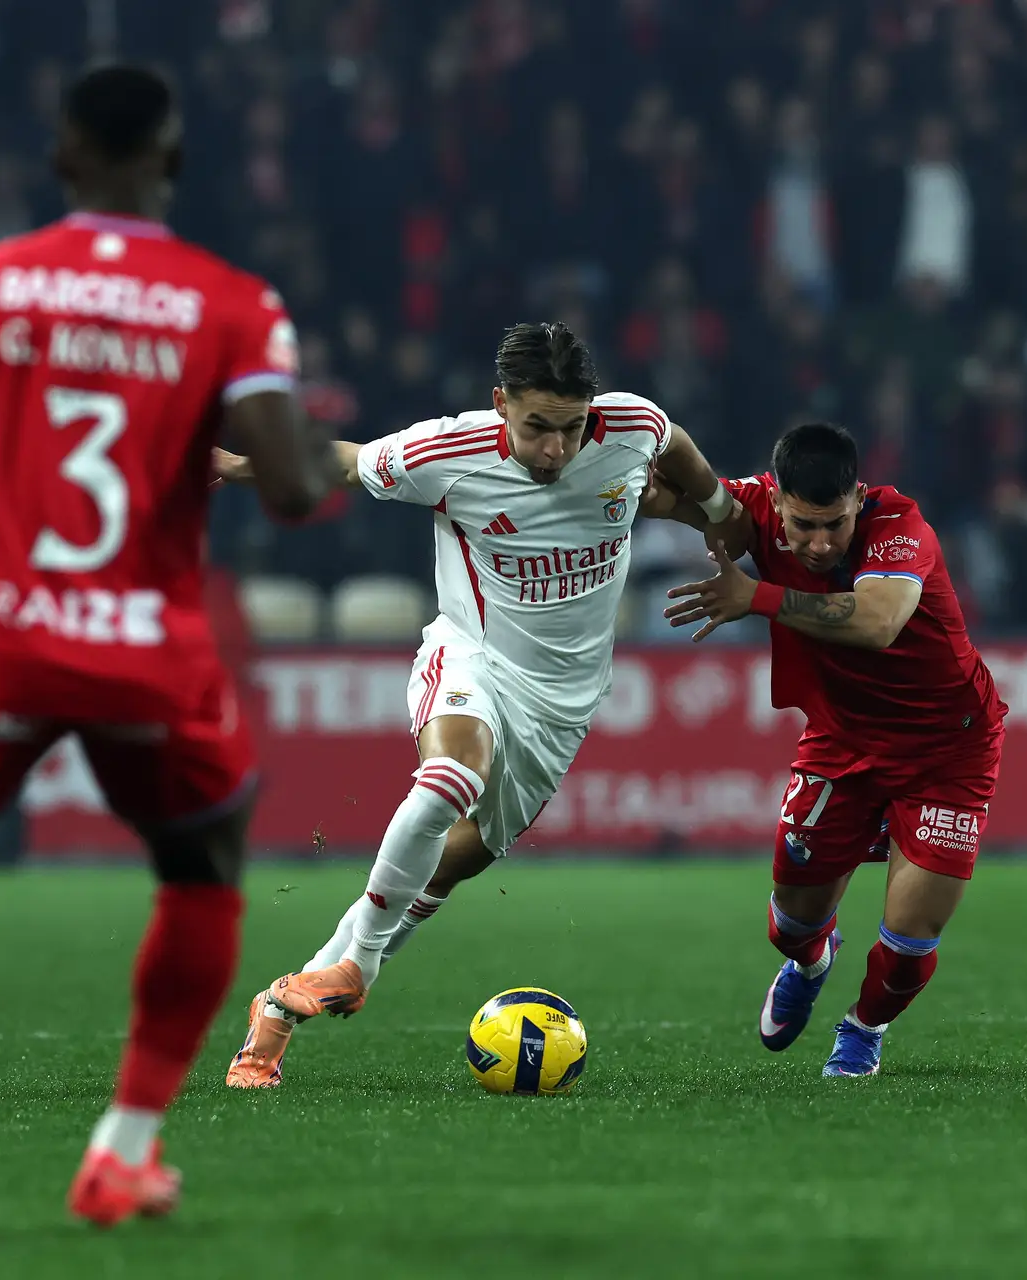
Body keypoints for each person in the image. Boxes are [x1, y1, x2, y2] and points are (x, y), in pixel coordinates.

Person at [0, 62, 336, 1249]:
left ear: (60, 159)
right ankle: (120, 1156)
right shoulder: (231, 302)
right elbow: (296, 489)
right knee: (202, 869)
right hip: (148, 647)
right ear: (174, 158)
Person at [211, 321, 728, 1088]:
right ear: (500, 405)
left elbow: (675, 443)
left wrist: (719, 508)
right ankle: (353, 968)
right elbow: (344, 461)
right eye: (536, 428)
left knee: (453, 864)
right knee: (452, 777)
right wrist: (239, 464)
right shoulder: (445, 453)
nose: (555, 448)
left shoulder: (631, 427)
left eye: (570, 427)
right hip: (473, 655)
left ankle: (283, 1009)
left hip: (564, 703)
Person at [643, 422, 1007, 1077]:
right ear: (776, 500)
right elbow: (679, 494)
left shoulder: (900, 526)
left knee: (909, 940)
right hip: (843, 740)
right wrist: (631, 491)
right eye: (802, 525)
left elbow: (877, 622)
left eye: (833, 524)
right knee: (790, 923)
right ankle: (813, 959)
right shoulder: (754, 507)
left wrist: (754, 596)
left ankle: (863, 1029)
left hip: (946, 751)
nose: (816, 543)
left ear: (858, 498)